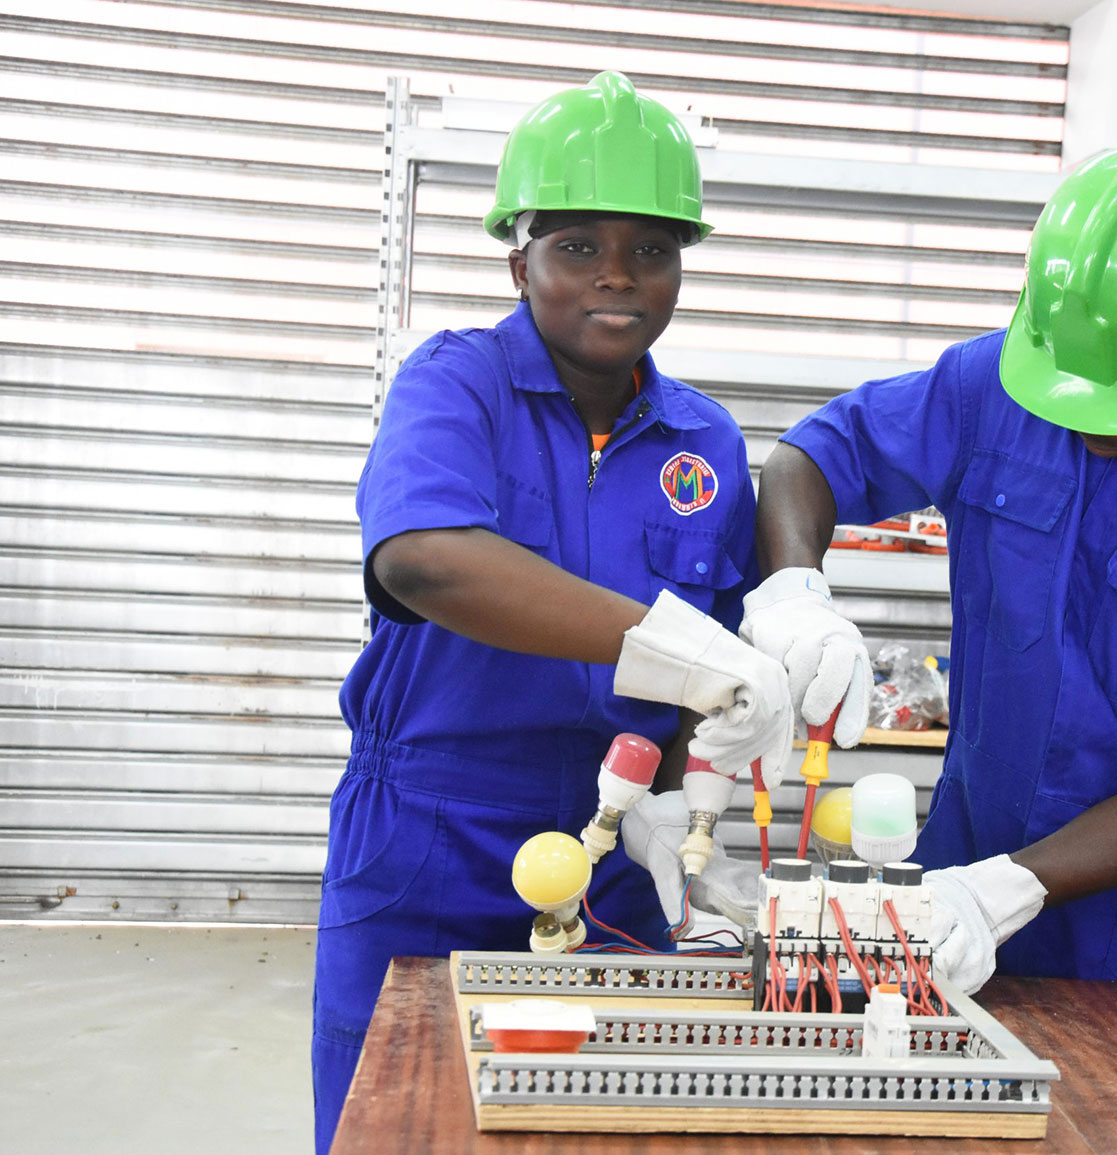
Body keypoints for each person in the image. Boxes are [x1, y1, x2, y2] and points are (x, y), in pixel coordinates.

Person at [312, 71, 793, 1154]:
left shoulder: (706, 444)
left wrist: (688, 821)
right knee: (397, 1118)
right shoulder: (452, 385)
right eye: (577, 246)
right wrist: (672, 650)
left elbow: (698, 692)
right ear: (516, 256)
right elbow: (426, 563)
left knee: (614, 1126)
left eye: (653, 251)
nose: (617, 278)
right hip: (431, 832)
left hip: (614, 839)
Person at [742, 140, 1117, 993]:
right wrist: (794, 592)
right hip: (948, 882)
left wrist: (1001, 895)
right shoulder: (1001, 385)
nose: (1085, 415)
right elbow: (813, 457)